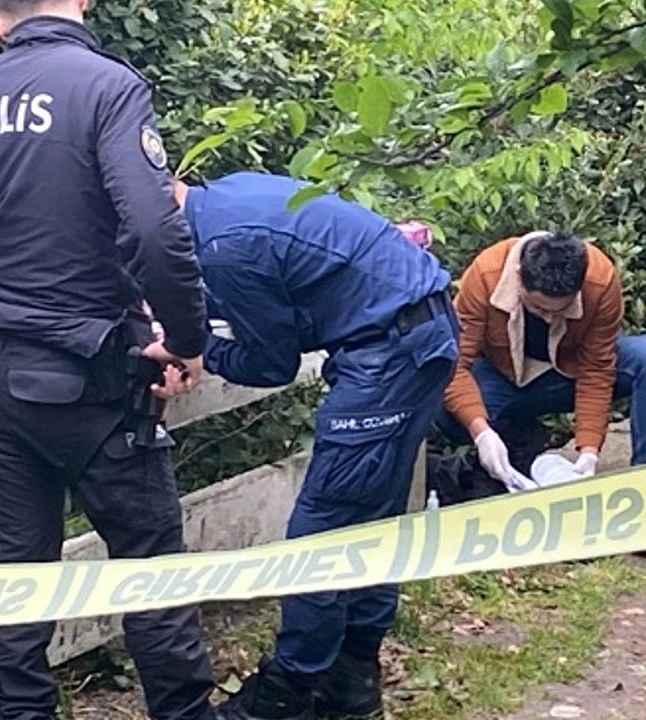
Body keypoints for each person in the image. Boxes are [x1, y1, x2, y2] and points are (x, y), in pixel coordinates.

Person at [0, 1, 218, 719]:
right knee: (151, 566)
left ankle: (20, 710)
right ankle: (183, 712)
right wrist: (187, 339)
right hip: (93, 379)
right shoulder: (106, 86)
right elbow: (154, 228)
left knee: (20, 565)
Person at [171, 171, 459, 720]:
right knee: (369, 525)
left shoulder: (226, 249)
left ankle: (289, 691)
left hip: (389, 355)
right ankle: (352, 680)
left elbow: (271, 363)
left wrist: (198, 349)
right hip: (415, 336)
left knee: (320, 533)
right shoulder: (228, 199)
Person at [434, 231, 646, 487]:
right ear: (519, 277)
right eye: (539, 308)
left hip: (568, 375)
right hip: (505, 380)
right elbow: (454, 364)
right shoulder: (486, 274)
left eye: (561, 309)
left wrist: (589, 450)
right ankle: (521, 448)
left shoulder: (600, 280)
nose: (548, 317)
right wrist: (481, 432)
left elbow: (596, 369)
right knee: (446, 409)